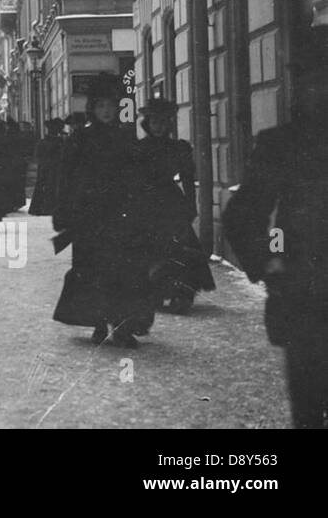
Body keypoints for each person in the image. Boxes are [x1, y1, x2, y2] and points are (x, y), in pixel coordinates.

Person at [224, 25, 328, 428]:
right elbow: (242, 214)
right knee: (308, 409)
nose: (318, 90)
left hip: (301, 292)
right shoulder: (282, 144)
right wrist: (268, 263)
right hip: (305, 294)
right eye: (311, 79)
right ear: (299, 84)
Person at [52, 74, 155, 348]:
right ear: (93, 109)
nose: (106, 112)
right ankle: (98, 323)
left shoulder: (126, 138)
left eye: (110, 106)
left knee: (124, 273)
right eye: (100, 107)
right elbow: (66, 177)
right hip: (89, 218)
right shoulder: (79, 138)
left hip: (121, 217)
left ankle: (122, 326)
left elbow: (138, 178)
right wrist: (63, 211)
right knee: (91, 272)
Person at [135, 98, 214, 312]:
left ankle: (182, 294)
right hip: (146, 203)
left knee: (180, 248)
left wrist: (191, 205)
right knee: (150, 249)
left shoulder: (178, 148)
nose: (159, 127)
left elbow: (188, 179)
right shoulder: (139, 148)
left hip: (171, 202)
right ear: (147, 124)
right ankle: (154, 293)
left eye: (163, 122)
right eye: (155, 123)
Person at [28, 119, 65, 216]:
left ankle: (39, 208)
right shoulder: (60, 141)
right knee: (52, 186)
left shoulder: (43, 142)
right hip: (53, 167)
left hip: (45, 166)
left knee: (43, 186)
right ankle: (48, 208)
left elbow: (37, 155)